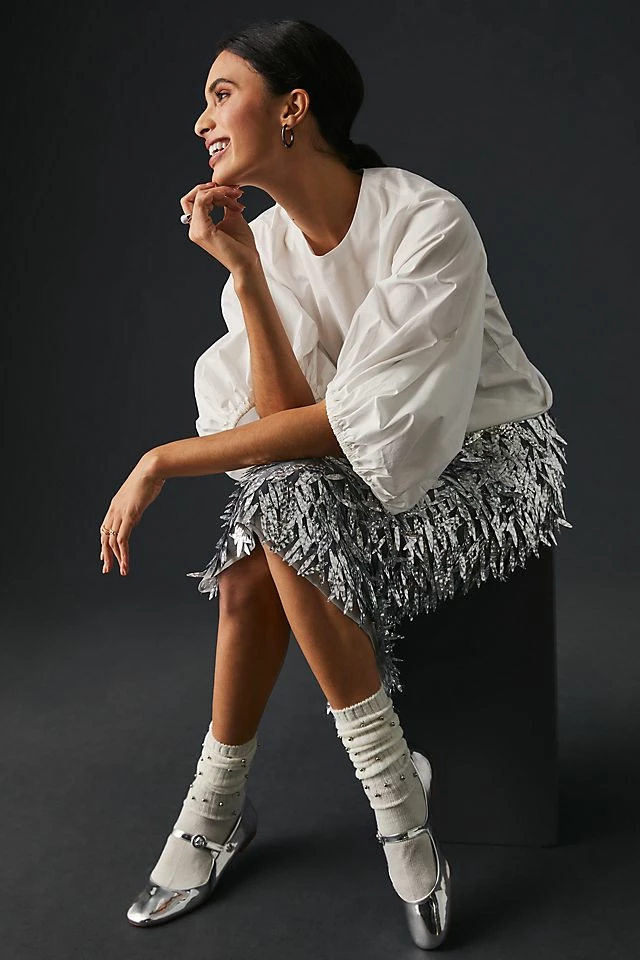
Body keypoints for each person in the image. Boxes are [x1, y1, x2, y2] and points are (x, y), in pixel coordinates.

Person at [100, 17, 572, 948]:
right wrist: (246, 275)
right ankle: (389, 808)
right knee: (272, 520)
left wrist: (160, 459)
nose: (201, 120)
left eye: (222, 94)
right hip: (341, 465)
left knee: (272, 520)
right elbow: (292, 437)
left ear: (294, 108)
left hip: (488, 463)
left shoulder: (426, 220)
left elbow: (357, 425)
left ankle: (232, 811)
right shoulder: (268, 244)